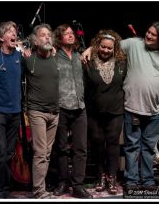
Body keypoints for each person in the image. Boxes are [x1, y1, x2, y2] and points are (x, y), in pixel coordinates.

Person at [81, 21, 159, 190]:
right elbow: (110, 44)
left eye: (154, 35)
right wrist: (90, 49)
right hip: (132, 108)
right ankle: (131, 181)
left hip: (153, 110)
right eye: (148, 32)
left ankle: (147, 180)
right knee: (131, 147)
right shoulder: (134, 44)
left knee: (149, 148)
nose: (149, 36)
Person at [84, 29, 127, 195]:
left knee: (112, 143)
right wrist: (88, 49)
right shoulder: (88, 61)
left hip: (115, 110)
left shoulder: (122, 62)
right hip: (94, 111)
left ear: (114, 48)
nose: (106, 50)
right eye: (103, 47)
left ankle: (112, 177)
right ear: (97, 45)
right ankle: (100, 175)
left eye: (109, 48)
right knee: (97, 143)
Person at [52, 24, 92, 199]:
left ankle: (77, 184)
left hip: (79, 107)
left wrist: (89, 48)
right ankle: (62, 181)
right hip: (60, 106)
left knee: (81, 148)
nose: (70, 36)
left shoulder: (79, 55)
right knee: (61, 147)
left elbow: (101, 42)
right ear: (59, 38)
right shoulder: (53, 55)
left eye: (71, 33)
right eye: (66, 34)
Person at [0, 21, 22, 198]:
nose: (14, 33)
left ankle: (4, 188)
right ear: (1, 37)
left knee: (9, 152)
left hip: (15, 111)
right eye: (9, 31)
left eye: (15, 31)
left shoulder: (19, 56)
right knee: (0, 151)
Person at [23, 23, 59, 199]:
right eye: (43, 35)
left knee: (47, 153)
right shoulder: (29, 59)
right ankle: (39, 191)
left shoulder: (55, 57)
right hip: (37, 111)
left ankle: (41, 188)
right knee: (40, 152)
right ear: (35, 41)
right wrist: (23, 51)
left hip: (54, 112)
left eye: (49, 35)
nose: (47, 37)